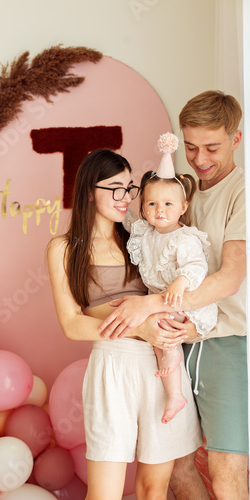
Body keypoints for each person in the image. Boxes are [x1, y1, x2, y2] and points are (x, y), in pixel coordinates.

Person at [98, 91, 248, 500]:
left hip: (225, 342)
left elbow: (231, 277)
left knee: (225, 464)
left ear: (236, 139)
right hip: (170, 343)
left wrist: (149, 304)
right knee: (174, 465)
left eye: (212, 147)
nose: (199, 159)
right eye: (192, 146)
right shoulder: (177, 192)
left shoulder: (242, 192)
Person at [47, 148, 204, 500]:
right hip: (112, 366)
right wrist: (139, 327)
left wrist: (188, 326)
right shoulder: (63, 248)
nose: (126, 198)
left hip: (162, 367)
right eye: (114, 188)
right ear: (90, 191)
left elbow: (186, 277)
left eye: (129, 187)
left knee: (153, 489)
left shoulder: (141, 236)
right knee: (104, 494)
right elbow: (72, 325)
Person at [126, 132, 218, 425]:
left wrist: (181, 281)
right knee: (156, 332)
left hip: (183, 300)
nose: (159, 211)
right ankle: (173, 391)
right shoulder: (145, 233)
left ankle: (174, 384)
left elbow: (196, 266)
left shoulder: (185, 238)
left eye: (168, 204)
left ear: (183, 207)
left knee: (163, 331)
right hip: (162, 301)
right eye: (152, 205)